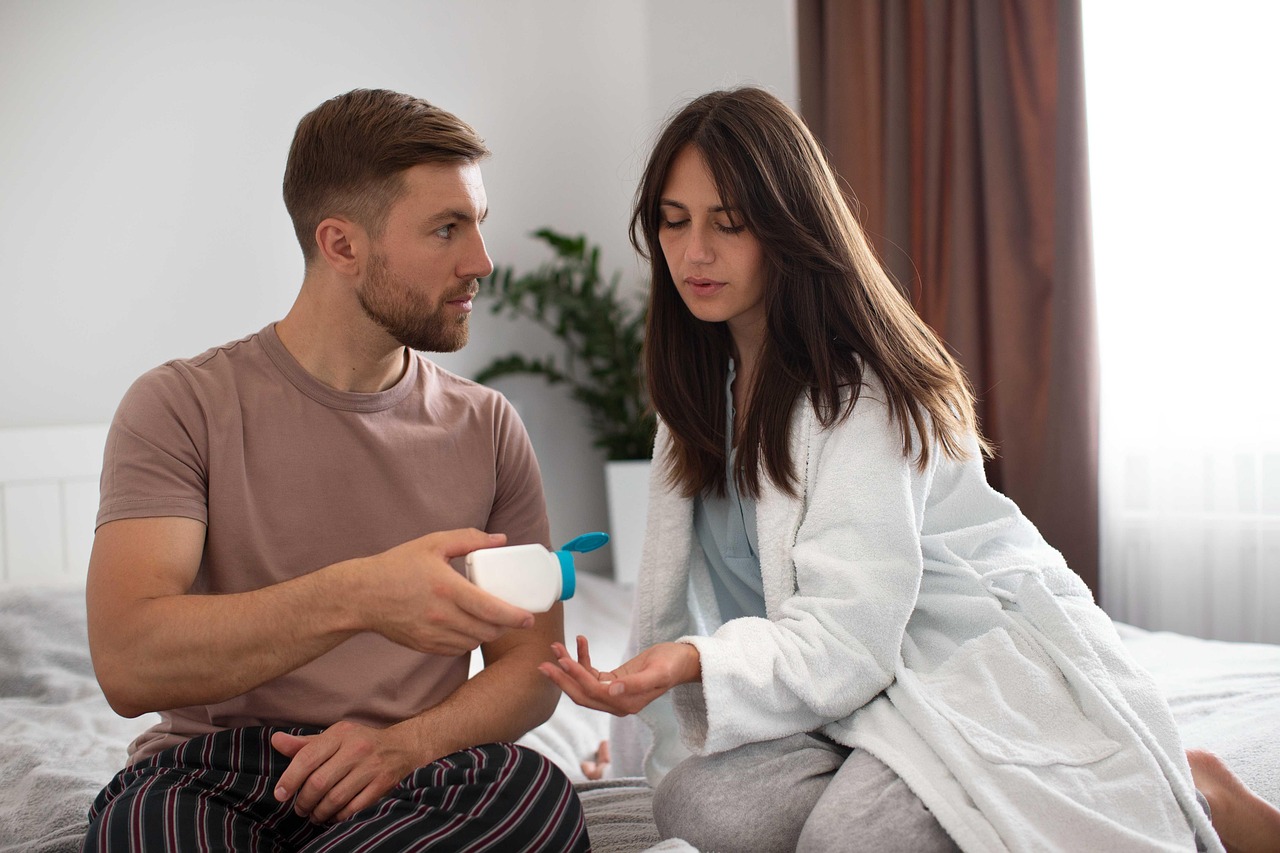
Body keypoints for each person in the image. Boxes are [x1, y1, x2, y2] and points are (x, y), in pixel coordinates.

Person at [541, 87, 1280, 852]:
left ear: (788, 229)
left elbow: (847, 637)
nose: (695, 251)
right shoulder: (696, 402)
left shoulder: (858, 397)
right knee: (696, 804)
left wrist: (692, 661)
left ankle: (1191, 787)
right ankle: (892, 783)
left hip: (944, 667)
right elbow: (681, 609)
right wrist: (636, 733)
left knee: (851, 841)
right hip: (836, 702)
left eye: (729, 223)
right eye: (674, 220)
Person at [83, 88, 589, 852]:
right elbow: (128, 659)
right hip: (221, 770)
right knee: (142, 824)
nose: (481, 261)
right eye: (447, 229)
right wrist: (361, 596)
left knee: (535, 794)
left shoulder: (487, 426)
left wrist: (407, 744)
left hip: (412, 766)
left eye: (477, 223)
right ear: (342, 245)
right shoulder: (181, 405)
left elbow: (529, 665)